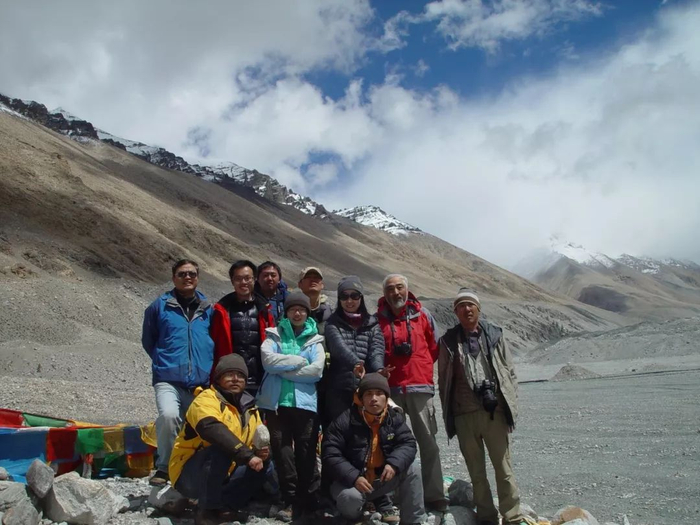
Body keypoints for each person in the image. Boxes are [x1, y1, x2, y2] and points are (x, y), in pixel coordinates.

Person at [437, 289, 526, 525]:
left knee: (503, 468)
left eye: (470, 305)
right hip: (464, 415)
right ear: (455, 312)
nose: (466, 309)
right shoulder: (447, 342)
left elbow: (510, 372)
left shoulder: (495, 335)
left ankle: (512, 516)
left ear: (478, 308)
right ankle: (486, 517)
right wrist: (450, 416)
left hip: (494, 413)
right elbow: (443, 380)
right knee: (476, 472)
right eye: (461, 306)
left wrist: (510, 407)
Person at [169, 354, 272, 525]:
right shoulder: (205, 399)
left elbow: (258, 438)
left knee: (265, 462)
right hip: (189, 475)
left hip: (225, 472)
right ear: (218, 379)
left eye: (240, 375)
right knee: (221, 449)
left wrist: (261, 452)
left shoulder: (251, 408)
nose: (235, 379)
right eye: (229, 374)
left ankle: (226, 506)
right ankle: (206, 511)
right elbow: (210, 427)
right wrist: (246, 455)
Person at [377, 274, 448, 512]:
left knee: (428, 443)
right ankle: (395, 495)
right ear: (384, 293)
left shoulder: (423, 315)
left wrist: (421, 366)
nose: (395, 293)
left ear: (407, 290)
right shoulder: (377, 320)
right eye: (390, 289)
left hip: (420, 387)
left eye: (399, 287)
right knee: (391, 444)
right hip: (391, 390)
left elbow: (434, 347)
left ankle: (434, 494)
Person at [141, 259, 215, 486]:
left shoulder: (208, 309)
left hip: (200, 381)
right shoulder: (159, 307)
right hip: (168, 378)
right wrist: (165, 361)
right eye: (182, 274)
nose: (187, 277)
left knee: (200, 425)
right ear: (174, 278)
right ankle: (164, 467)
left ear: (198, 277)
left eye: (192, 273)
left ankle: (192, 469)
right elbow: (149, 340)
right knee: (169, 416)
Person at [256, 292, 326, 522]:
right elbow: (268, 361)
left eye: (302, 309)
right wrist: (298, 361)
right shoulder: (273, 335)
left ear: (308, 313)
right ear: (286, 313)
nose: (297, 313)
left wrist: (283, 371)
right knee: (282, 451)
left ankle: (309, 499)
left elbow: (316, 371)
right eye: (293, 309)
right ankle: (291, 500)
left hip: (305, 404)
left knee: (306, 452)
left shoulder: (315, 340)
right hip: (277, 403)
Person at [322, 373, 425, 525]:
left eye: (379, 393)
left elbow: (408, 443)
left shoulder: (393, 418)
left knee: (412, 467)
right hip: (350, 483)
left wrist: (393, 464)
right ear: (361, 398)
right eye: (368, 394)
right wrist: (354, 477)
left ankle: (413, 521)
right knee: (350, 499)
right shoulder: (345, 421)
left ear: (386, 397)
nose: (374, 398)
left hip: (379, 481)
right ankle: (355, 518)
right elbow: (330, 453)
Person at [323, 275, 386, 427]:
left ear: (361, 297)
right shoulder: (332, 323)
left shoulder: (373, 324)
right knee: (338, 430)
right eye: (344, 296)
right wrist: (356, 364)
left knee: (364, 431)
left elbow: (376, 350)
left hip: (366, 389)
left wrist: (379, 369)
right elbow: (338, 348)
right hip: (339, 389)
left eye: (354, 295)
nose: (349, 301)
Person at [211, 260, 275, 395]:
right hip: (230, 379)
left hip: (259, 378)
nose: (243, 282)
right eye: (238, 279)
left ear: (254, 279)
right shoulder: (221, 311)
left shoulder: (265, 310)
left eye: (247, 278)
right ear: (232, 281)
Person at [297, 267, 332, 333]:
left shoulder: (331, 310)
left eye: (316, 277)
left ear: (322, 285)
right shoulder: (292, 309)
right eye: (308, 277)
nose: (312, 280)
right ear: (299, 284)